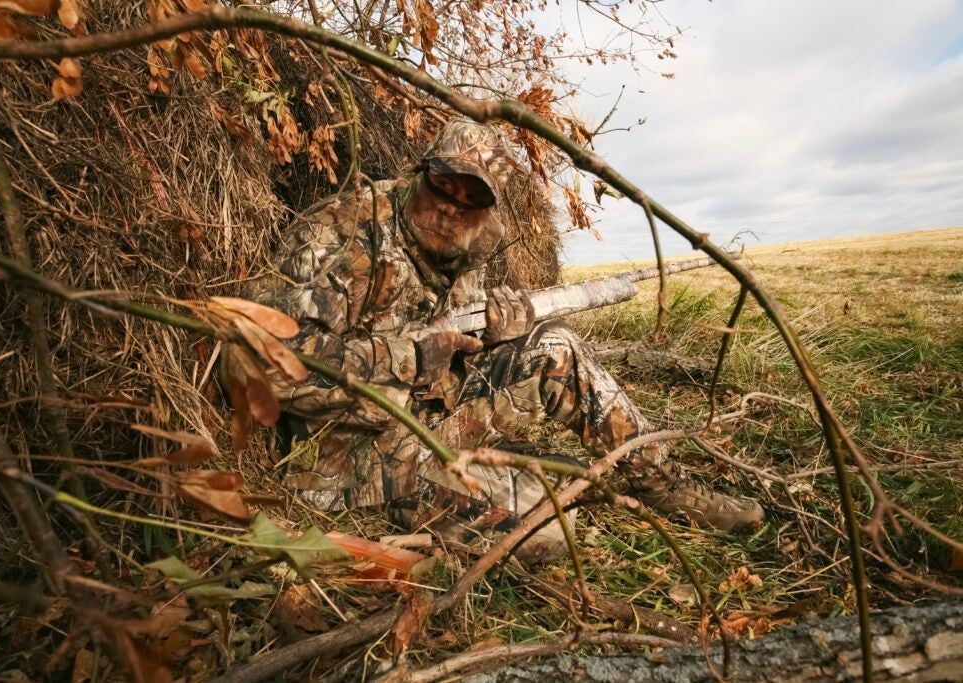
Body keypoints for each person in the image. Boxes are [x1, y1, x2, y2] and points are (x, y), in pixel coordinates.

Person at [240, 120, 763, 564]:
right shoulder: (339, 237)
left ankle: (665, 486)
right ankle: (405, 534)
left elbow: (449, 367)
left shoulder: (470, 246)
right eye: (444, 185)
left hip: (426, 423)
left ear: (489, 210)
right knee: (553, 533)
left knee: (552, 347)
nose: (451, 208)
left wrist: (498, 342)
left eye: (473, 200)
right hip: (343, 459)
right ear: (421, 172)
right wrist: (408, 356)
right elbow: (261, 363)